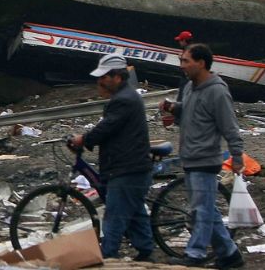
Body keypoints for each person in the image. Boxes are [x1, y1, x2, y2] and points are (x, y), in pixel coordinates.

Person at [159, 44, 245, 269]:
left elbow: (230, 127)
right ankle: (230, 255)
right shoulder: (189, 87)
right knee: (206, 209)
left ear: (201, 63)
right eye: (181, 61)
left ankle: (195, 254)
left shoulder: (217, 91)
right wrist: (173, 108)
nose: (182, 66)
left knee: (201, 210)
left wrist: (237, 156)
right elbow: (187, 110)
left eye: (186, 61)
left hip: (206, 159)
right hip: (189, 156)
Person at [68, 54, 154, 261]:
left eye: (104, 77)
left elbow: (107, 127)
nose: (100, 81)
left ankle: (108, 257)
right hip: (130, 167)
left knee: (115, 216)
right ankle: (146, 251)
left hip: (127, 168)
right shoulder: (125, 97)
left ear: (117, 77)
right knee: (134, 213)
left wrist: (83, 139)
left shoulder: (123, 100)